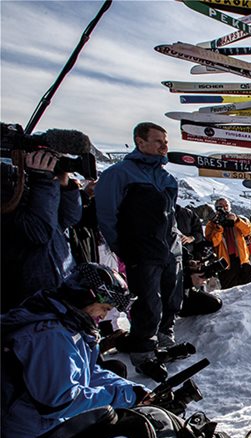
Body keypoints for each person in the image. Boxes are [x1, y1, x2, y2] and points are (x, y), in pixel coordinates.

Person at [0, 263, 145, 438]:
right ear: (86, 297)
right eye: (104, 307)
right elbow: (61, 400)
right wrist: (121, 397)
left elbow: (86, 370)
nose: (104, 315)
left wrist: (128, 389)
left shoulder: (69, 323)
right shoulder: (50, 334)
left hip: (41, 427)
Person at [94, 122, 179, 379]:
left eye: (166, 141)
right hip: (141, 250)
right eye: (158, 141)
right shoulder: (119, 174)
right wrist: (124, 247)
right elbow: (107, 215)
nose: (165, 146)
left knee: (171, 296)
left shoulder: (167, 178)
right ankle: (143, 352)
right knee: (147, 302)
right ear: (140, 142)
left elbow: (171, 215)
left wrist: (176, 245)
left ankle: (163, 336)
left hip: (169, 249)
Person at [1, 150, 82, 312]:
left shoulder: (38, 188)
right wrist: (43, 179)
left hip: (58, 283)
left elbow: (70, 218)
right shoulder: (10, 191)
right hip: (28, 298)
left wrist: (64, 185)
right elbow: (39, 231)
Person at [205, 198, 251, 290]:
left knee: (249, 289)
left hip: (242, 260)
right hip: (225, 263)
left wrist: (236, 221)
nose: (224, 208)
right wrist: (219, 227)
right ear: (216, 208)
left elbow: (249, 232)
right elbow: (213, 242)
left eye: (226, 205)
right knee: (229, 291)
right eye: (221, 205)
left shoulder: (239, 219)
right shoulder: (211, 225)